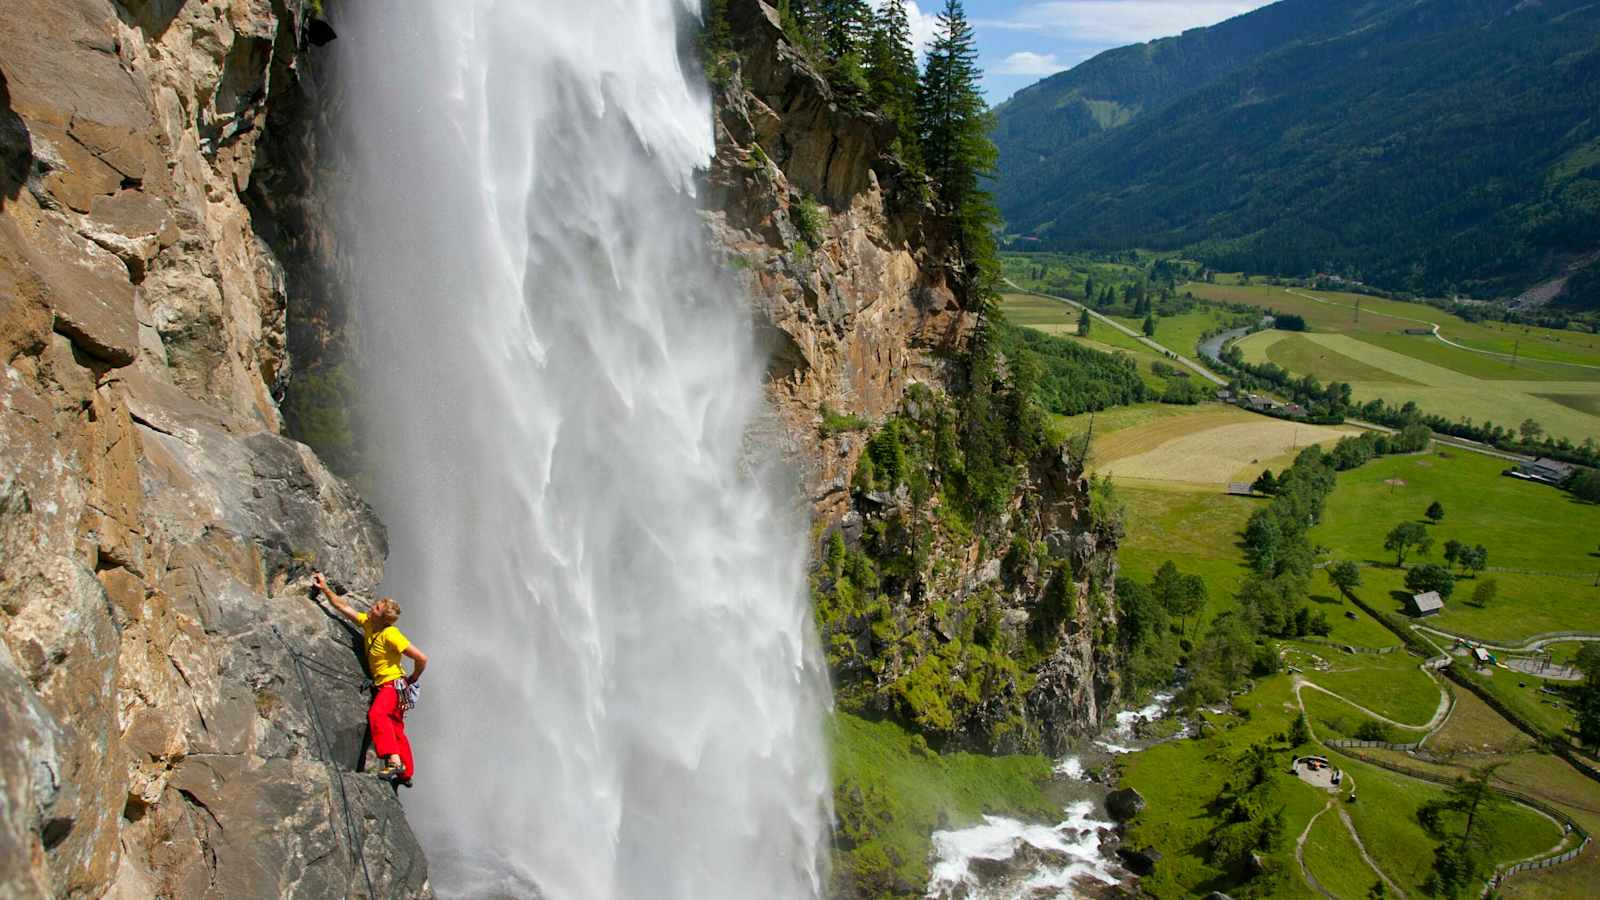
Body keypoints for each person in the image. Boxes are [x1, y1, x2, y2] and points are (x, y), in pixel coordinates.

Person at [312, 572, 428, 785]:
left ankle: (394, 762)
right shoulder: (368, 624)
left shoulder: (390, 634)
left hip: (394, 685)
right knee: (395, 727)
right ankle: (406, 773)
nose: (371, 607)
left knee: (377, 715)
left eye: (376, 608)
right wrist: (325, 589)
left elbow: (421, 657)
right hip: (394, 687)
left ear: (382, 617)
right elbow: (344, 608)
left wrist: (413, 677)